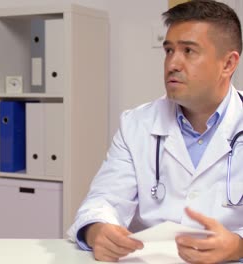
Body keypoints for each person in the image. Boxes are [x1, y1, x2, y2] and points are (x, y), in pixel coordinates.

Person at [68, 0, 243, 263]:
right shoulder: (136, 124)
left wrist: (239, 246)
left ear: (228, 64)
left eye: (188, 51)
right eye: (169, 50)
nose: (173, 63)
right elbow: (103, 200)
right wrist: (99, 231)